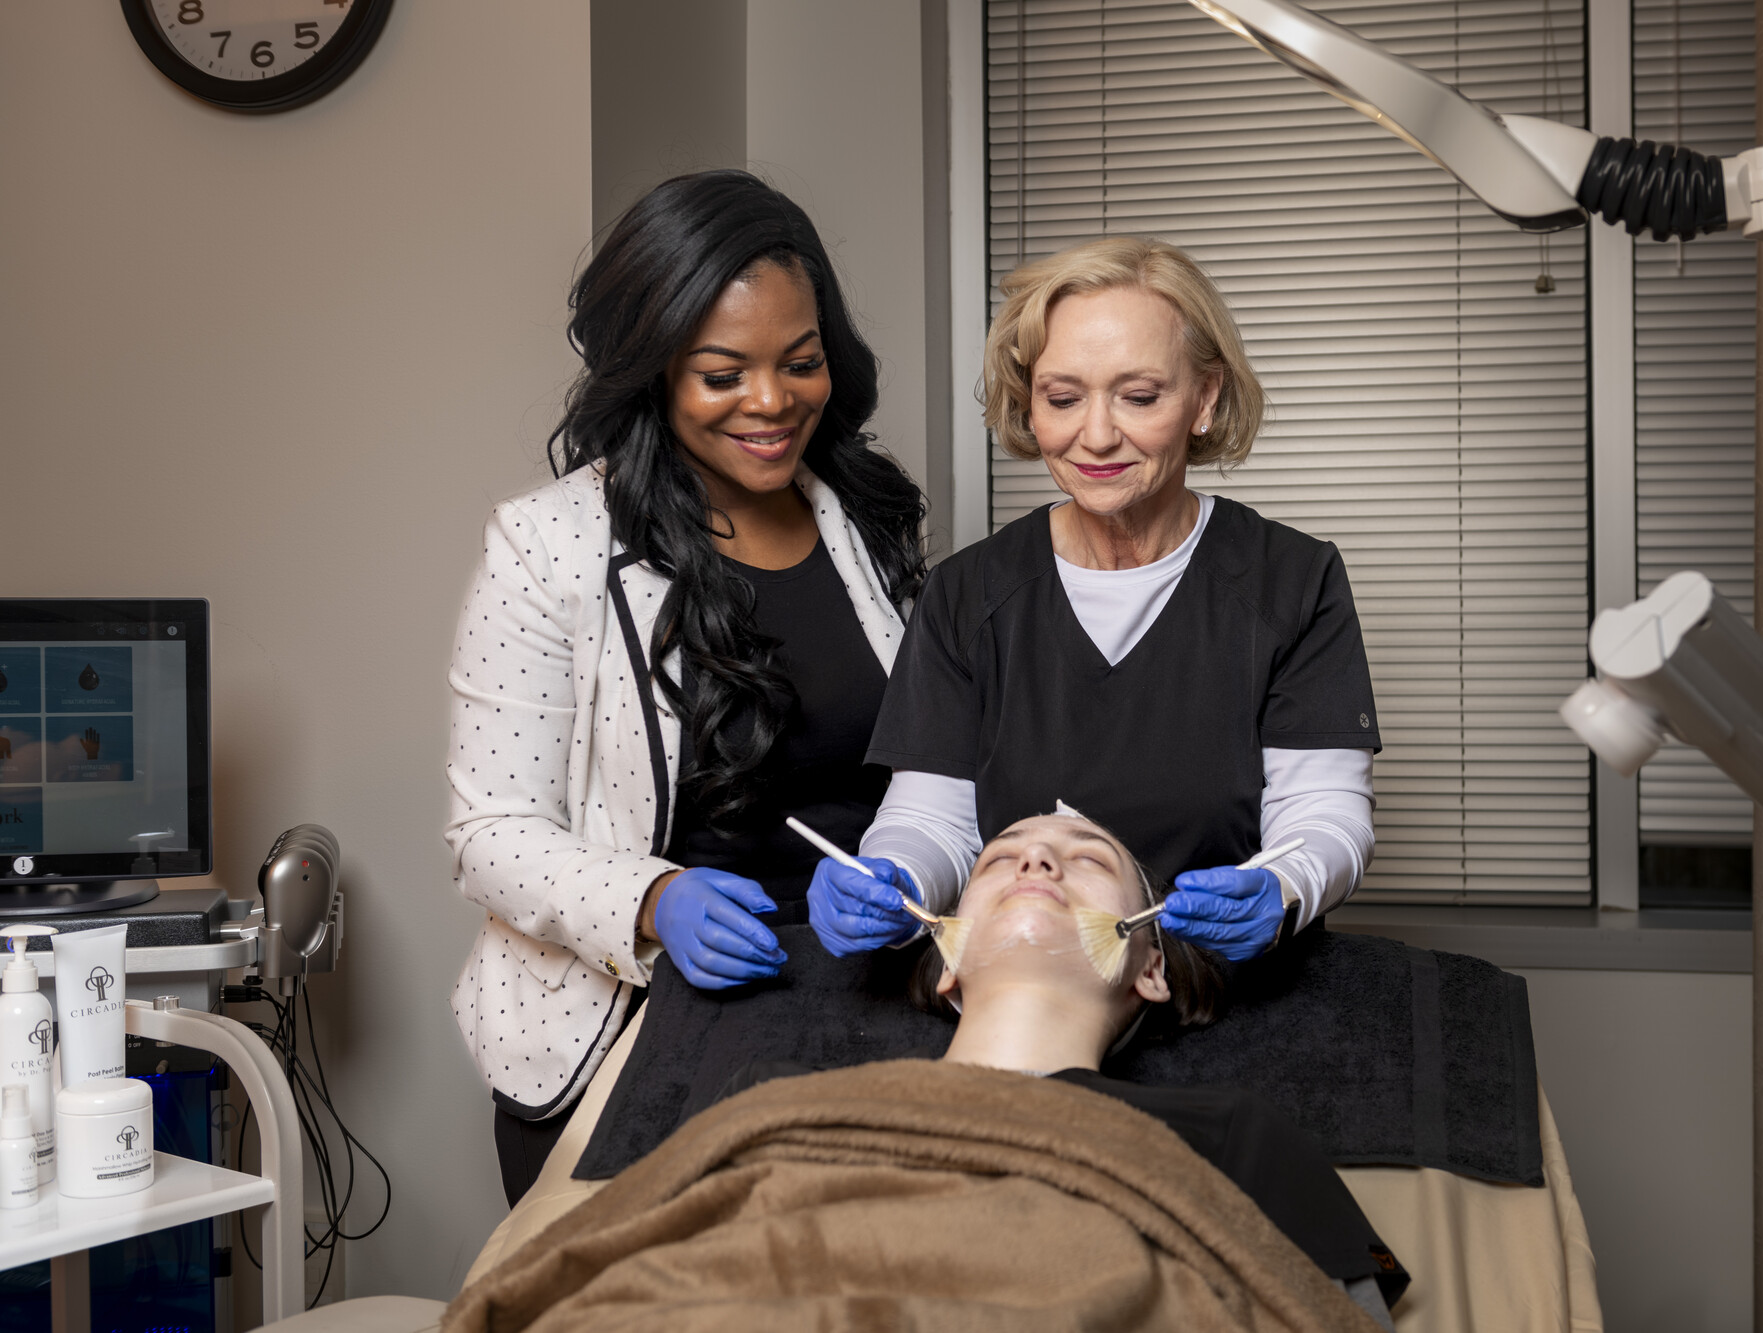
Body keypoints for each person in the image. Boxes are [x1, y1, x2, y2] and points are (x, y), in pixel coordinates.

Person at [449, 810, 1405, 1332]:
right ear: (945, 959)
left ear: (1149, 964)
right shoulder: (787, 1110)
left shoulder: (1228, 1133)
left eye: (1086, 860)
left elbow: (1325, 1313)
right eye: (1003, 858)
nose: (1039, 860)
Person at [445, 170, 926, 1203]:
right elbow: (488, 832)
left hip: (857, 1008)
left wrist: (912, 868)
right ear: (652, 369)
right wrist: (656, 899)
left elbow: (933, 763)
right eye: (723, 372)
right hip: (641, 1021)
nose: (771, 401)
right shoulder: (549, 547)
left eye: (799, 363)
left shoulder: (867, 521)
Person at [809, 236, 1379, 966]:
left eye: (1139, 397)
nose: (1098, 434)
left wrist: (1281, 886)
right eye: (1063, 398)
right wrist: (894, 876)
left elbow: (1325, 814)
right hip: (1031, 976)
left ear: (1204, 398)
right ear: (1029, 403)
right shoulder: (968, 596)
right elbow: (933, 817)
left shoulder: (1291, 581)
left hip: (1223, 987)